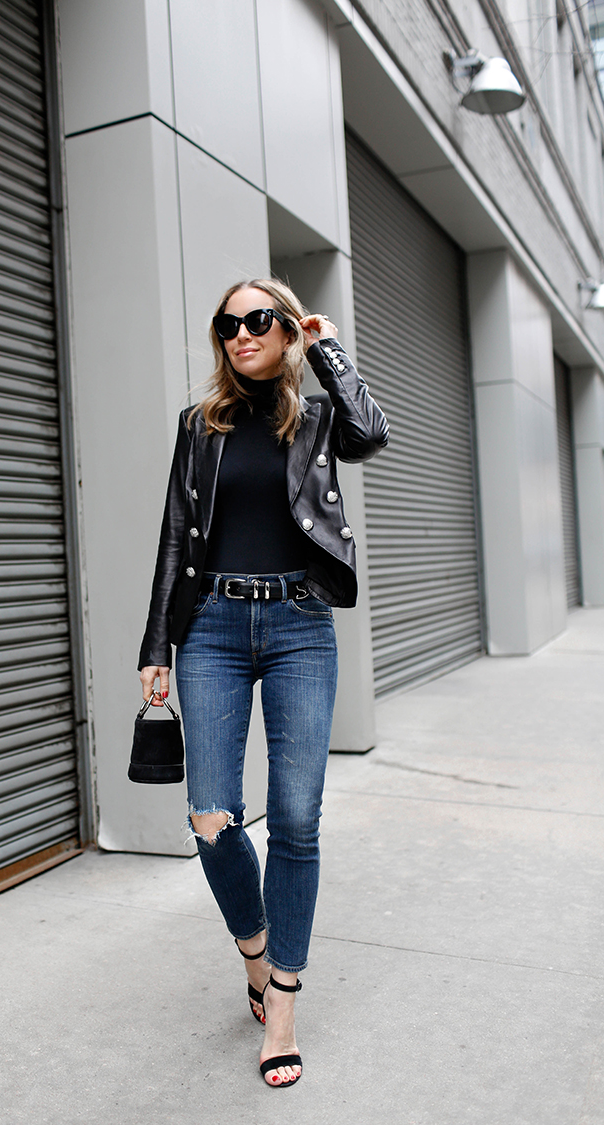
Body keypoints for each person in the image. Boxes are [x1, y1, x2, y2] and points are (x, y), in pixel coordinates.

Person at [138, 278, 388, 1088]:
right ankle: (255, 951)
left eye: (259, 320)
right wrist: (157, 645)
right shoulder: (197, 425)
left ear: (285, 329)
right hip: (211, 625)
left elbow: (371, 433)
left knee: (296, 818)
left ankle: (282, 999)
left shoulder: (314, 417)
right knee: (212, 818)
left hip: (298, 629)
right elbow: (175, 533)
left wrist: (327, 350)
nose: (241, 334)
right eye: (228, 324)